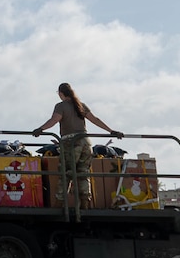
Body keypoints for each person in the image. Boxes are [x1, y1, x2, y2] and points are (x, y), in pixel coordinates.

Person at [34, 82, 121, 212]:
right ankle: (84, 205)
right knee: (83, 174)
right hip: (86, 142)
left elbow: (54, 120)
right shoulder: (80, 105)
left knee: (66, 173)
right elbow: (95, 119)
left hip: (71, 143)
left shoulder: (61, 106)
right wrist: (111, 131)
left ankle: (59, 205)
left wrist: (40, 129)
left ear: (61, 93)